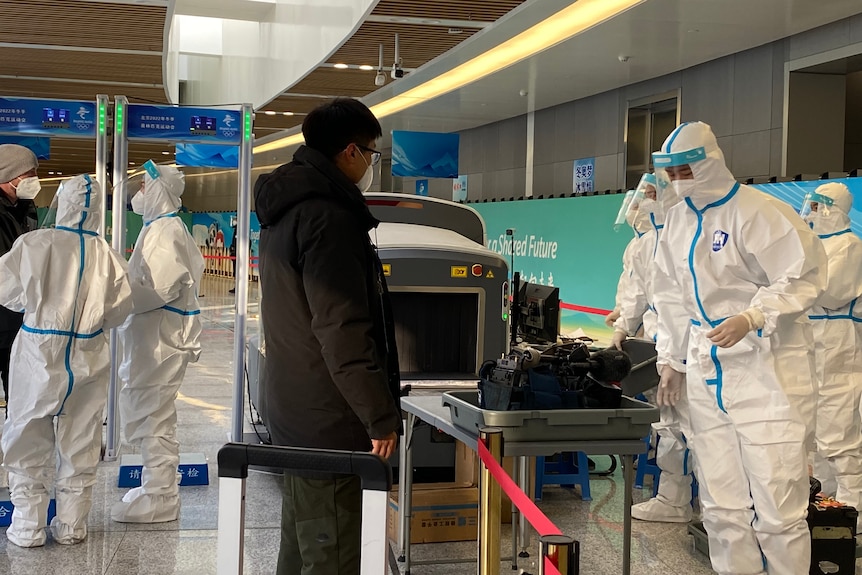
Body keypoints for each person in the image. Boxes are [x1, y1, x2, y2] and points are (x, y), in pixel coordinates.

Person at [651, 121, 827, 575]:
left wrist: (753, 316)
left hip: (768, 372)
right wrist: (671, 359)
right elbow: (669, 293)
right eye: (669, 174)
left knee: (779, 506)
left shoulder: (759, 212)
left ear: (709, 163)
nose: (676, 183)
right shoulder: (678, 220)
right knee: (721, 504)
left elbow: (803, 274)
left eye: (684, 171)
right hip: (706, 367)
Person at [254, 97, 401, 575]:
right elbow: (342, 329)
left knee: (302, 541)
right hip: (330, 417)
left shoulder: (285, 210)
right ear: (349, 152)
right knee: (332, 551)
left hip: (296, 407)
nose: (372, 164)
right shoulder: (329, 219)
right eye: (371, 154)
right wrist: (378, 415)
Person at [0, 174, 133, 547]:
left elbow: (6, 290)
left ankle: (28, 526)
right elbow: (120, 310)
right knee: (82, 440)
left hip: (38, 353)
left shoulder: (35, 244)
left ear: (63, 202)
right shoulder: (106, 254)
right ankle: (72, 525)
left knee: (27, 434)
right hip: (88, 354)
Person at [111, 162, 204, 524]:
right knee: (148, 410)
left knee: (154, 415)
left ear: (157, 192)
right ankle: (154, 482)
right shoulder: (157, 228)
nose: (137, 195)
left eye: (142, 188)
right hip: (153, 337)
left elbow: (161, 288)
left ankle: (161, 494)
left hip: (162, 341)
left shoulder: (165, 230)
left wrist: (117, 295)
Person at [611, 173, 693, 523]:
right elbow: (637, 293)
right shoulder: (648, 243)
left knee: (697, 427)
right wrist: (623, 326)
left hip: (691, 346)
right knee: (669, 423)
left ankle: (717, 507)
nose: (641, 203)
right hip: (665, 344)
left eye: (649, 194)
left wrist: (677, 357)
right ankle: (675, 500)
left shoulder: (686, 236)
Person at [800, 182, 862, 523]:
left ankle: (854, 503)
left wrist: (795, 284)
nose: (810, 214)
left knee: (839, 424)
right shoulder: (814, 245)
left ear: (832, 209)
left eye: (816, 207)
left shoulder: (849, 245)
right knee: (818, 430)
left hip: (838, 338)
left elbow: (832, 292)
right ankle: (827, 502)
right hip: (813, 335)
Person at [0, 144, 40, 411]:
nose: (35, 180)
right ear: (9, 175)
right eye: (29, 175)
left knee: (18, 388)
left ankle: (15, 448)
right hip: (4, 303)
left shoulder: (28, 208)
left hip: (18, 317)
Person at [605, 188, 652, 328]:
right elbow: (627, 283)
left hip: (652, 324)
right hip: (635, 323)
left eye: (636, 206)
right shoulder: (633, 245)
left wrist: (625, 322)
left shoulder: (658, 242)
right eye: (630, 207)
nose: (632, 211)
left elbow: (644, 291)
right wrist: (620, 310)